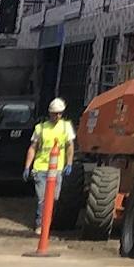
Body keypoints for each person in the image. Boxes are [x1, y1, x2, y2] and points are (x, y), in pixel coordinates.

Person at [26, 98, 76, 230]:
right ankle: (40, 224)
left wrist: (69, 163)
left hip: (57, 169)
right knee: (42, 199)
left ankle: (48, 223)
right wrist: (27, 166)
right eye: (55, 113)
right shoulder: (41, 128)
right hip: (41, 168)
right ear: (50, 113)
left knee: (54, 198)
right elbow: (33, 148)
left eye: (60, 113)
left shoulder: (66, 127)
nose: (57, 116)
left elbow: (70, 146)